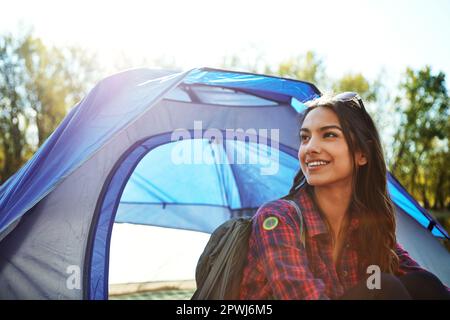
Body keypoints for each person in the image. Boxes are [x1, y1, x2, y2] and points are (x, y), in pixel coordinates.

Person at [239, 92, 449, 300]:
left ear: (362, 154)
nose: (310, 148)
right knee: (382, 287)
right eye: (305, 137)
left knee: (423, 283)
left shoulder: (367, 227)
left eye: (329, 134)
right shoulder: (279, 218)